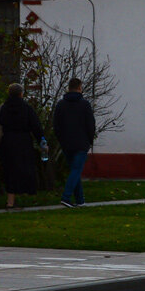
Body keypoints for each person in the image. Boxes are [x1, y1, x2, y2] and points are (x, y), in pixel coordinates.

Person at [0, 82, 44, 210]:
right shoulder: (26, 108)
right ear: (21, 94)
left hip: (7, 142)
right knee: (24, 169)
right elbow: (36, 126)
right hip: (23, 142)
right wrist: (42, 141)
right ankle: (26, 193)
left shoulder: (4, 107)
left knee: (9, 171)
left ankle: (10, 201)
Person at [54, 77, 97, 209]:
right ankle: (66, 197)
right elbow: (90, 124)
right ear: (79, 88)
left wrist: (61, 139)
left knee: (74, 170)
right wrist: (90, 139)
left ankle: (80, 199)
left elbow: (56, 125)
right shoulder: (84, 104)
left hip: (66, 143)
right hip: (81, 142)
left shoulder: (61, 104)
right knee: (76, 170)